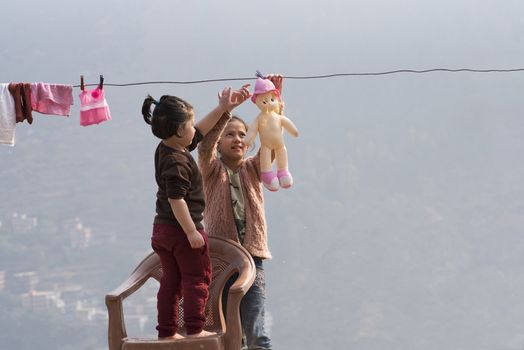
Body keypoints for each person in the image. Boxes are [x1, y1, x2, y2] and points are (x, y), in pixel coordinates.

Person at [141, 84, 250, 340]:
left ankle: (167, 332)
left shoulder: (168, 148)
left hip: (162, 230)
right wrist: (191, 231)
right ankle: (194, 328)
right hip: (181, 230)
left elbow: (201, 130)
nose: (194, 129)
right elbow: (176, 198)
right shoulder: (178, 160)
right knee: (197, 278)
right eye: (190, 125)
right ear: (180, 130)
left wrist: (224, 109)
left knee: (171, 281)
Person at [198, 75, 284, 350]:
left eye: (242, 134)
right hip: (221, 259)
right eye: (230, 134)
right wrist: (226, 111)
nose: (237, 139)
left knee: (255, 323)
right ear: (220, 142)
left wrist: (271, 103)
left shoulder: (253, 168)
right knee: (227, 329)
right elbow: (204, 145)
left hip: (252, 257)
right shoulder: (211, 170)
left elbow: (271, 141)